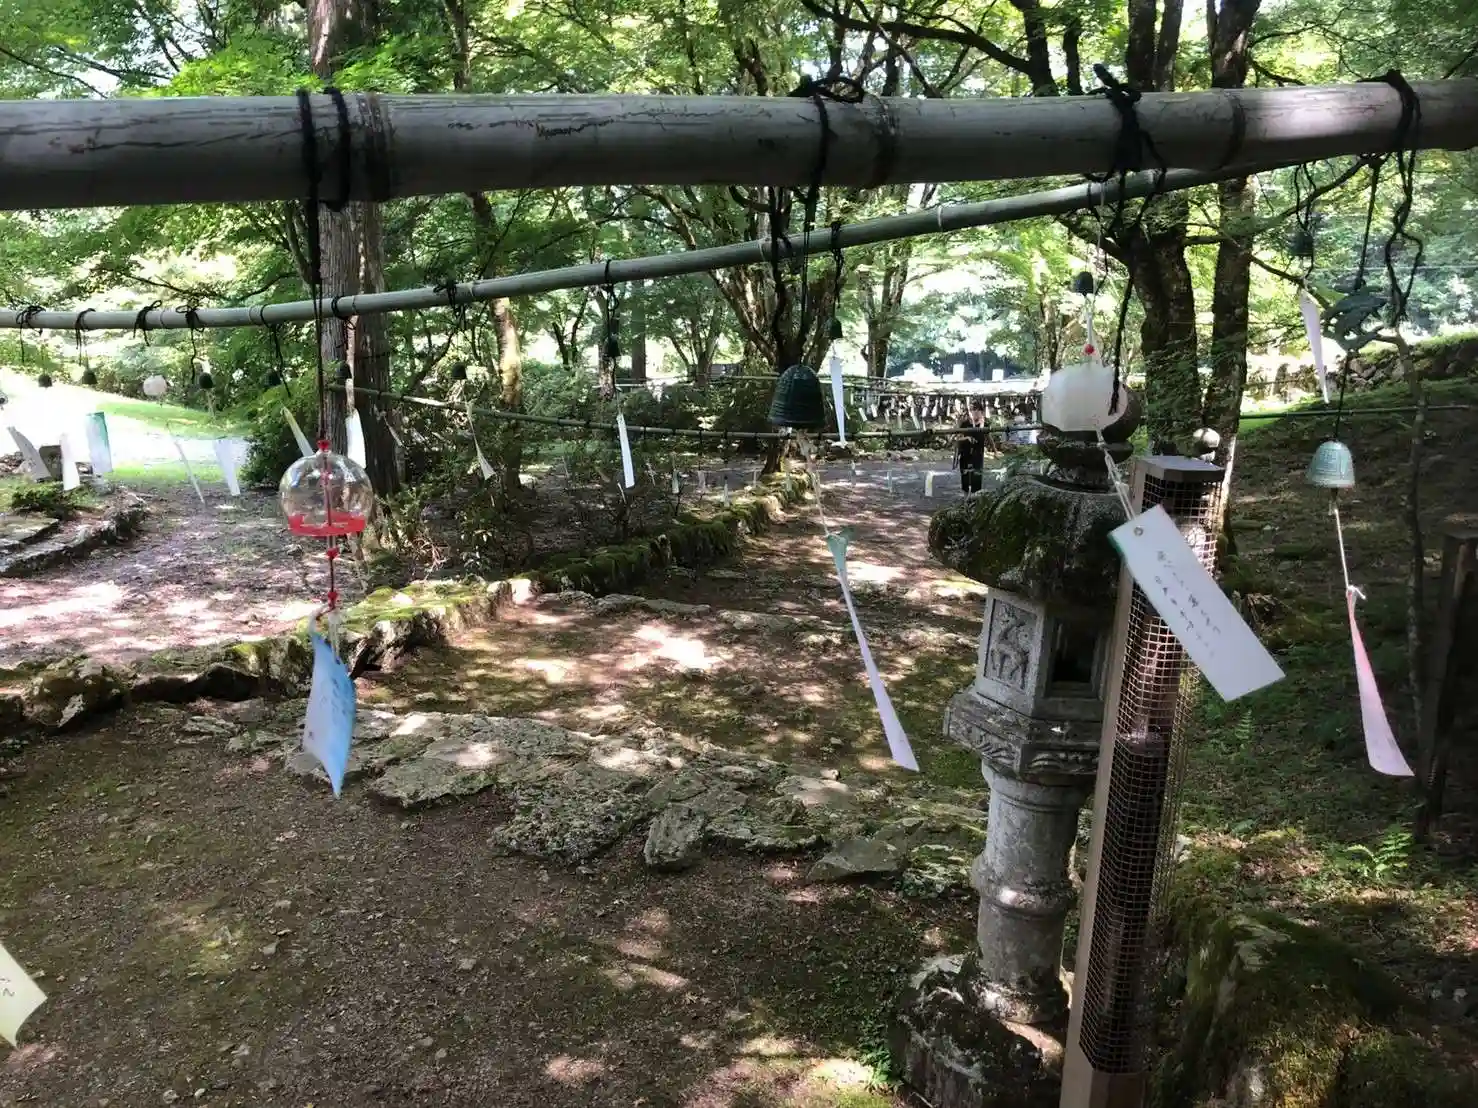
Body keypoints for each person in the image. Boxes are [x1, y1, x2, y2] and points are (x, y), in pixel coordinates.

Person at [955, 398, 987, 495]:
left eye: (977, 410)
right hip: (965, 452)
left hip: (978, 453)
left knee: (977, 475)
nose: (974, 412)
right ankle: (966, 497)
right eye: (972, 410)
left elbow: (988, 437)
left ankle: (974, 497)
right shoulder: (965, 423)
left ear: (981, 411)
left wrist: (995, 451)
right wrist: (967, 438)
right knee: (965, 475)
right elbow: (957, 438)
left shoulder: (984, 424)